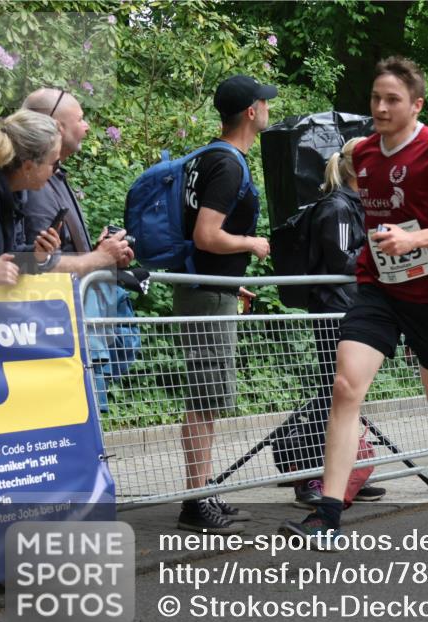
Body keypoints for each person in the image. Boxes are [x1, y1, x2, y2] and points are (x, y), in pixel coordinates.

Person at [280, 57, 428, 543]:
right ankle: (327, 514)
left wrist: (416, 240)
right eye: (375, 98)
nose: (382, 107)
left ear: (417, 105)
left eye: (393, 99)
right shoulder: (365, 155)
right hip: (379, 290)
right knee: (347, 387)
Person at [175, 74, 275, 534]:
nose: (268, 108)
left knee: (207, 396)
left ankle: (203, 492)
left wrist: (233, 286)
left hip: (210, 289)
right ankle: (196, 503)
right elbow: (206, 235)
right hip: (205, 294)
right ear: (250, 113)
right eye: (264, 103)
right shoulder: (229, 164)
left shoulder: (206, 156)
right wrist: (252, 243)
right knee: (204, 397)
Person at [286, 136, 386, 505]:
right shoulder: (337, 207)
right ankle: (309, 475)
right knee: (335, 395)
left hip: (355, 309)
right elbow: (341, 261)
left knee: (348, 395)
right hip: (335, 310)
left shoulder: (360, 205)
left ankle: (346, 474)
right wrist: (377, 247)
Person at [21, 89, 133, 273]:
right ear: (58, 127)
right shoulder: (35, 184)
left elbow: (45, 256)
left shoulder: (54, 176)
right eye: (80, 119)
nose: (87, 126)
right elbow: (37, 266)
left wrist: (103, 255)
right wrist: (98, 258)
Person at [0, 109, 61, 290]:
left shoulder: (11, 192)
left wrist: (35, 256)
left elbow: (2, 257)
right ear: (28, 167)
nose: (57, 171)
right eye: (55, 163)